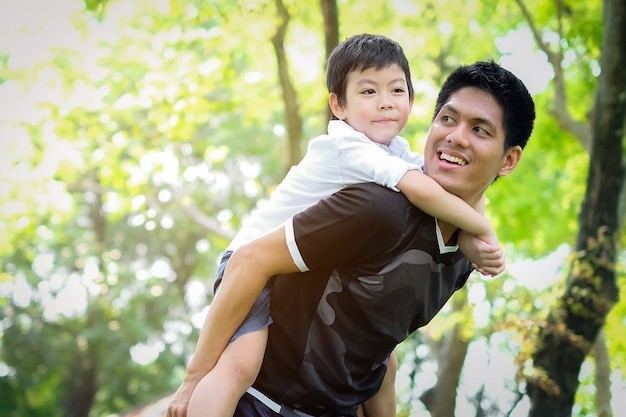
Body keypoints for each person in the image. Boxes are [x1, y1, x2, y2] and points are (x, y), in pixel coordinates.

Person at [167, 38, 510, 417]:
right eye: (368, 91)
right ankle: (195, 396)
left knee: (384, 363)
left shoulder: (394, 152)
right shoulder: (349, 147)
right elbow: (421, 189)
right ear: (339, 106)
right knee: (239, 365)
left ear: (411, 102)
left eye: (396, 90)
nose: (384, 101)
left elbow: (436, 189)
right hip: (246, 264)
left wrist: (467, 236)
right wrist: (482, 229)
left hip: (287, 287)